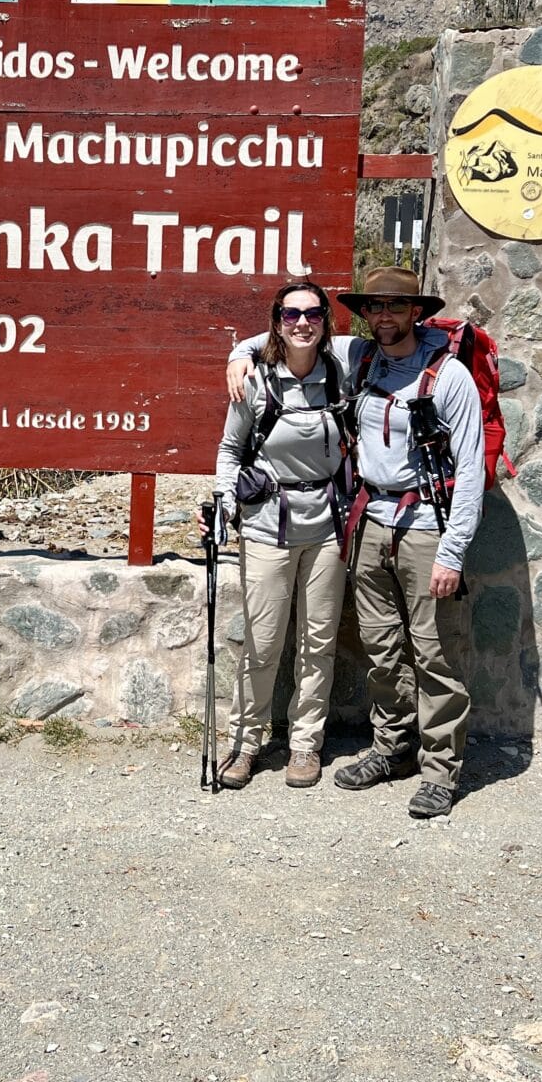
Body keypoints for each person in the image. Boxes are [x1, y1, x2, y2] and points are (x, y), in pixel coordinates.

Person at [226, 267, 484, 818]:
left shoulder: (448, 377)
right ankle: (392, 749)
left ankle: (440, 770)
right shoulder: (360, 356)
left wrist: (454, 551)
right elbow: (285, 333)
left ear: (418, 311)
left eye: (397, 306)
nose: (385, 315)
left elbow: (471, 470)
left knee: (433, 652)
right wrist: (239, 356)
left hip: (424, 527)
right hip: (367, 523)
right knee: (382, 648)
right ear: (365, 313)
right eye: (376, 306)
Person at [210, 281, 351, 790]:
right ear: (276, 321)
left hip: (329, 527)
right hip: (268, 524)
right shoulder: (255, 382)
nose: (302, 323)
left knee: (319, 641)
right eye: (290, 314)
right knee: (264, 641)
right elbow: (230, 450)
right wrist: (226, 503)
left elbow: (397, 340)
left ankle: (305, 744)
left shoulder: (344, 367)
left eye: (313, 313)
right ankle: (246, 743)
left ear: (326, 321)